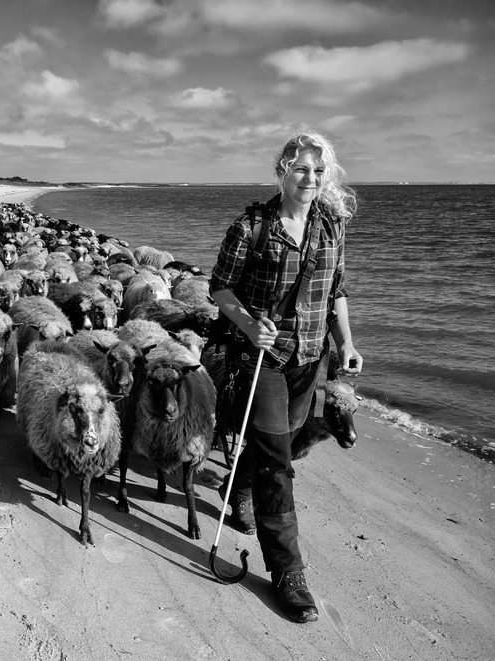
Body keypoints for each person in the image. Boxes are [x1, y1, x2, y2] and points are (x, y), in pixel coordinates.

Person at [208, 130, 363, 623]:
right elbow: (220, 288)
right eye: (300, 169)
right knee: (278, 461)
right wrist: (249, 325)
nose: (310, 179)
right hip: (263, 360)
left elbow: (336, 290)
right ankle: (288, 573)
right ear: (282, 171)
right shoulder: (251, 227)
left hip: (311, 359)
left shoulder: (332, 225)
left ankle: (238, 490)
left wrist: (347, 343)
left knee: (284, 440)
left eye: (318, 171)